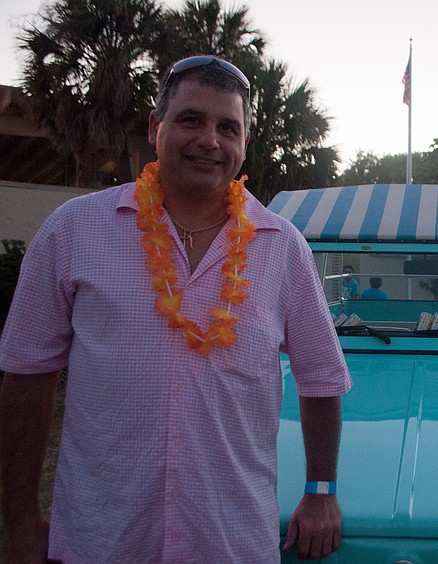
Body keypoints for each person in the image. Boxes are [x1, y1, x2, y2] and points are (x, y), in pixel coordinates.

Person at [0, 55, 352, 563]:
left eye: (228, 127)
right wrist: (20, 523)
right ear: (155, 126)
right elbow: (26, 377)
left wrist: (321, 491)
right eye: (191, 119)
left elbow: (321, 380)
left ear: (243, 143)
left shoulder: (283, 246)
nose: (210, 140)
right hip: (102, 541)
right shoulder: (73, 230)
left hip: (230, 542)